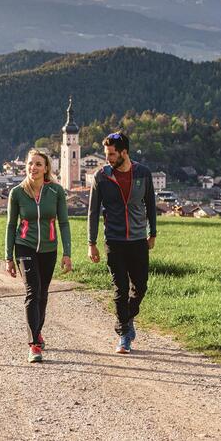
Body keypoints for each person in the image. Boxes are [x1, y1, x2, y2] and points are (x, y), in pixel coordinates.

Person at [87, 132, 157, 354]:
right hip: (114, 240)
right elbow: (92, 212)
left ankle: (127, 319)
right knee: (120, 288)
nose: (107, 158)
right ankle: (124, 334)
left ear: (124, 152)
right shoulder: (101, 176)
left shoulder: (143, 174)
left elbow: (151, 205)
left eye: (111, 154)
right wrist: (92, 243)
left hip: (138, 240)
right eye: (106, 154)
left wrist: (152, 233)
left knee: (141, 286)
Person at [5, 148, 72, 363]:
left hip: (49, 249)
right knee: (33, 291)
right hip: (24, 246)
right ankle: (34, 344)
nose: (33, 168)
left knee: (43, 293)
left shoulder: (56, 192)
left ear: (46, 169)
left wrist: (67, 253)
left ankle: (38, 329)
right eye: (30, 164)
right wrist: (8, 257)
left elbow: (63, 223)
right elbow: (10, 225)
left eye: (38, 164)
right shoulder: (17, 192)